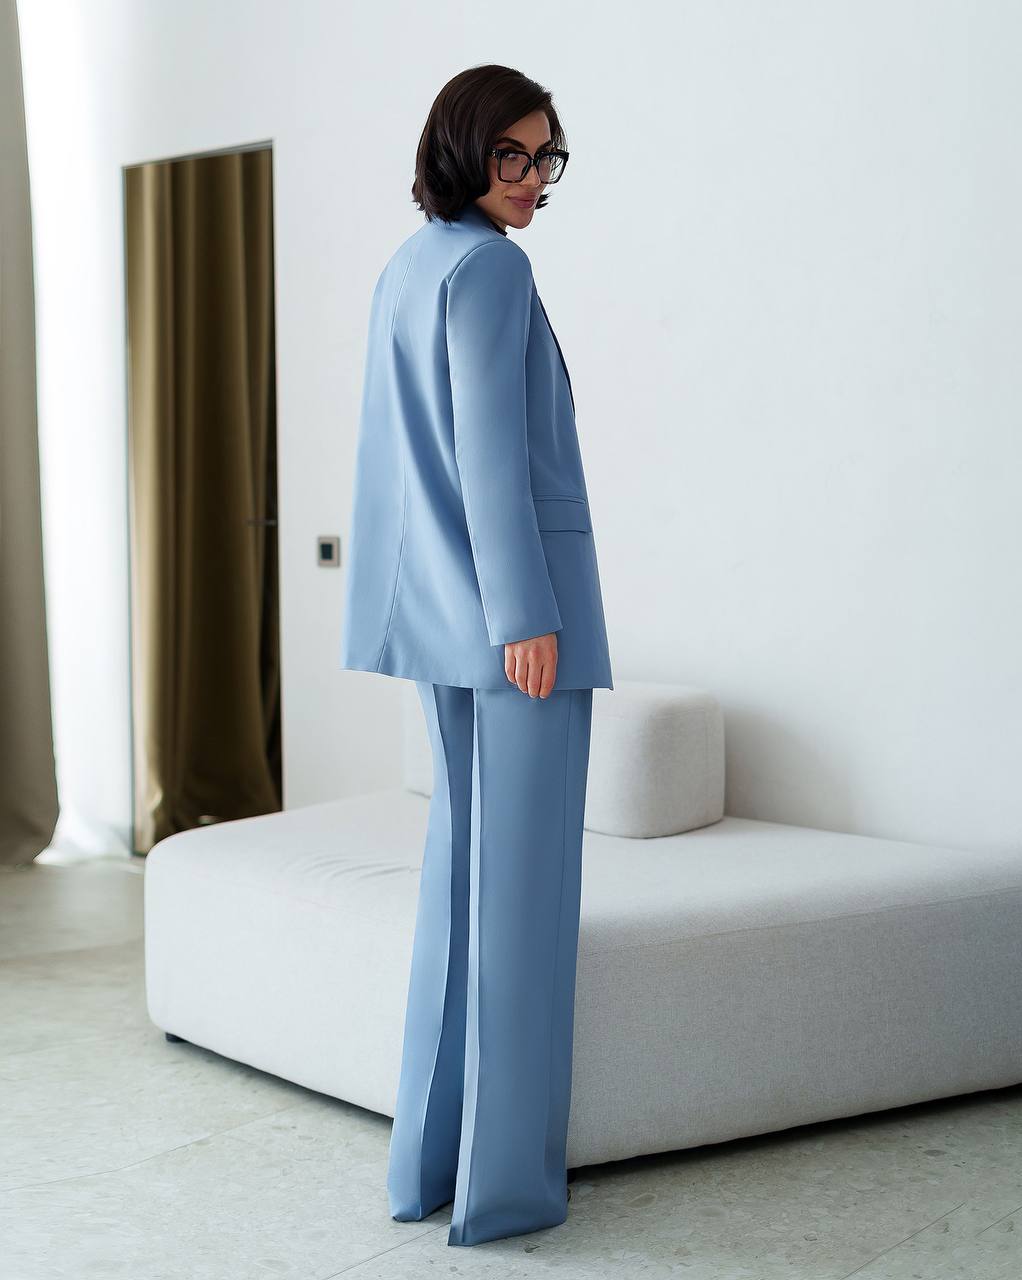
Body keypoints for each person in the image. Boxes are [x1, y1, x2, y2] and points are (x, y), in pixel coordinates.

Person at [339, 63, 613, 1247]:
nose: (534, 181)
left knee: (460, 890)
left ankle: (426, 1165)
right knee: (524, 903)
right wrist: (526, 617)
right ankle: (505, 1191)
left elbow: (409, 465)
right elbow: (491, 458)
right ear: (464, 149)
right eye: (514, 155)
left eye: (547, 158)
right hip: (516, 625)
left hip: (441, 619)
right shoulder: (491, 268)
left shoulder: (411, 264)